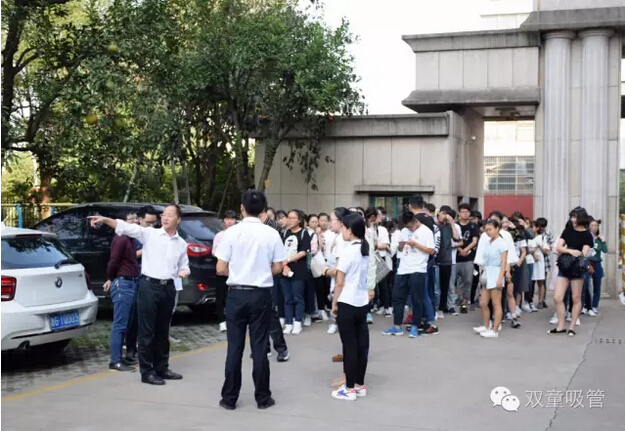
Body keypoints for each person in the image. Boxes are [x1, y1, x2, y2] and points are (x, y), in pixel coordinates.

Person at [88, 205, 189, 385]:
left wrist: (183, 272)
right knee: (146, 331)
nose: (165, 218)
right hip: (149, 286)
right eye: (164, 215)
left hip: (168, 288)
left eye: (170, 215)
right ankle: (147, 371)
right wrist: (104, 219)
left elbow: (184, 265)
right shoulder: (150, 234)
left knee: (163, 330)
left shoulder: (181, 243)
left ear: (178, 220)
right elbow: (125, 227)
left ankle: (162, 367)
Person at [214, 189, 287, 410]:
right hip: (260, 294)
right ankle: (263, 398)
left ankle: (229, 398)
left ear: (241, 208)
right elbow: (278, 266)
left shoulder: (231, 233)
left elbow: (220, 268)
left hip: (236, 293)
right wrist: (260, 273)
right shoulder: (271, 234)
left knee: (234, 347)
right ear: (263, 210)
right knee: (259, 346)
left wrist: (239, 273)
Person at [326, 213, 373, 401]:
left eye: (343, 228)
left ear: (350, 230)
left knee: (349, 346)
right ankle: (360, 385)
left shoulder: (348, 251)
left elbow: (340, 282)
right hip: (362, 301)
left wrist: (334, 303)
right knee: (362, 345)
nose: (342, 231)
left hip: (347, 301)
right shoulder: (364, 249)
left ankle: (349, 388)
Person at [382, 211, 434, 337]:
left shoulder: (426, 231)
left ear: (416, 221)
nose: (410, 229)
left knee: (417, 299)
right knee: (397, 298)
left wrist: (415, 244)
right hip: (403, 268)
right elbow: (399, 250)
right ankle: (397, 326)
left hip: (418, 268)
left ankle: (415, 326)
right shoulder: (404, 231)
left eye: (411, 226)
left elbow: (431, 250)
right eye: (407, 227)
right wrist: (400, 246)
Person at [549, 207, 594, 337]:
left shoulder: (587, 235)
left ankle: (572, 326)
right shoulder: (568, 231)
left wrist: (574, 251)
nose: (573, 219)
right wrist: (570, 251)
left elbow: (584, 252)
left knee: (576, 297)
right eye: (572, 217)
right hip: (564, 266)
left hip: (578, 268)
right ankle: (561, 325)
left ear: (581, 218)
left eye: (575, 217)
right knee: (558, 297)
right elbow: (558, 247)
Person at [104, 213, 140, 371]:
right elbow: (113, 261)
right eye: (131, 219)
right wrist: (110, 278)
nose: (135, 221)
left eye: (136, 218)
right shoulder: (121, 238)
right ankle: (115, 360)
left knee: (127, 323)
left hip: (131, 282)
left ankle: (121, 358)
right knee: (120, 324)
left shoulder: (131, 239)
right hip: (122, 283)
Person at [125, 207, 158, 365]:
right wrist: (146, 250)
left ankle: (148, 350)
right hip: (135, 278)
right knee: (134, 317)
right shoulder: (133, 235)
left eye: (154, 223)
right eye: (148, 222)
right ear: (139, 220)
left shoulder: (157, 234)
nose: (151, 226)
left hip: (152, 280)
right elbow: (128, 255)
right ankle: (130, 349)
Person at [473, 220, 508, 339]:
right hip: (487, 272)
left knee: (496, 303)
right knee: (483, 303)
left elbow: (504, 262)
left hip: (496, 272)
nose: (488, 232)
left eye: (490, 229)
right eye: (486, 230)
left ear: (497, 228)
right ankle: (486, 325)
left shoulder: (502, 243)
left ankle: (495, 330)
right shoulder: (488, 242)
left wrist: (500, 277)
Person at [280, 210, 312, 335]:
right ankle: (289, 322)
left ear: (299, 220)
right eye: (289, 218)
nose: (290, 220)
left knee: (297, 297)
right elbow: (280, 250)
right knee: (287, 297)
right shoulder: (285, 233)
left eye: (293, 218)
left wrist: (288, 260)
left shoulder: (304, 233)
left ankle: (298, 321)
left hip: (298, 270)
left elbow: (303, 252)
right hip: (284, 270)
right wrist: (284, 265)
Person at [213, 210, 238, 332]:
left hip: (236, 269)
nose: (229, 221)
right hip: (222, 269)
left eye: (232, 219)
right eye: (227, 219)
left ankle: (233, 319)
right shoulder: (219, 236)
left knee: (234, 295)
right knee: (221, 295)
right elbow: (214, 252)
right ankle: (221, 321)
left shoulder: (239, 235)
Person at [455, 203, 479, 313]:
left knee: (468, 281)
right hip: (455, 258)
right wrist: (460, 250)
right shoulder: (455, 226)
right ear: (459, 213)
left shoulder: (473, 226)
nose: (465, 214)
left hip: (468, 258)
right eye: (463, 212)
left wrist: (465, 250)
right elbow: (452, 240)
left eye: (467, 212)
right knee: (456, 282)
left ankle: (464, 302)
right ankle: (457, 299)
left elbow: (474, 241)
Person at [586, 218, 607, 315]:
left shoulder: (599, 239)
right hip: (587, 262)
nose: (594, 227)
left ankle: (594, 306)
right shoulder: (586, 238)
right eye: (592, 225)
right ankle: (586, 305)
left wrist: (603, 241)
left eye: (596, 226)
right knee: (585, 285)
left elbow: (605, 250)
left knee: (597, 285)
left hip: (597, 263)